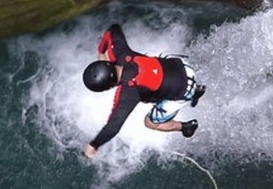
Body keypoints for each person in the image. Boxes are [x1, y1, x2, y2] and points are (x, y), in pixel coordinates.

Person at [82, 24, 206, 157]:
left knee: (150, 123)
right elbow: (113, 29)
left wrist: (93, 145)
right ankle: (196, 90)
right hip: (183, 66)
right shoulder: (121, 52)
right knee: (154, 66)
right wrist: (101, 51)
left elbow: (113, 127)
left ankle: (187, 126)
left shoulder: (128, 93)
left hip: (185, 89)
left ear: (108, 87)